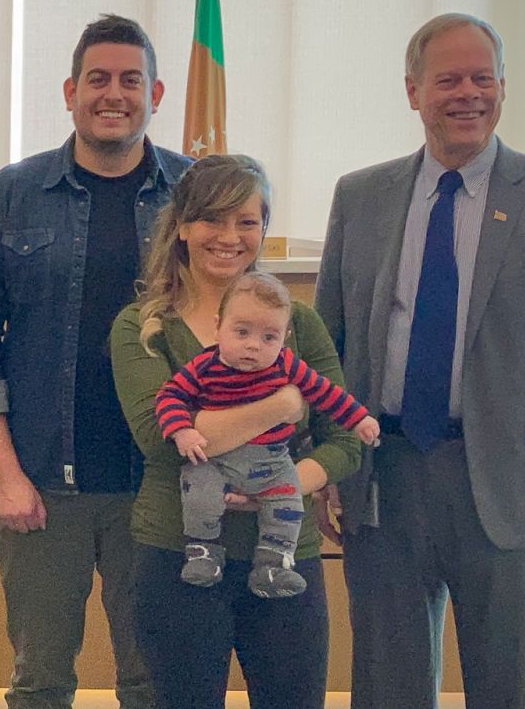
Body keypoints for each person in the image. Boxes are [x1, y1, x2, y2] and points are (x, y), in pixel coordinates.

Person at [315, 13, 525, 709]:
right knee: (387, 687)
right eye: (449, 79)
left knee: (510, 685)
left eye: (483, 78)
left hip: (512, 484)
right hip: (382, 473)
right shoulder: (361, 196)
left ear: (504, 88)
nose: (467, 93)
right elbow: (326, 345)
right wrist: (328, 463)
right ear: (413, 91)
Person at [0, 13, 188, 709]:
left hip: (164, 482)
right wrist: (4, 476)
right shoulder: (12, 193)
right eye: (98, 79)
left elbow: (239, 337)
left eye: (130, 80)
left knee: (155, 681)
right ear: (69, 90)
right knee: (40, 680)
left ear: (157, 92)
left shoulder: (198, 193)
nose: (113, 94)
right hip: (43, 489)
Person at [109, 154, 362, 709]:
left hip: (285, 555)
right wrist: (283, 405)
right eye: (213, 219)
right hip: (176, 554)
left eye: (246, 221)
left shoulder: (299, 322)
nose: (229, 237)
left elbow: (344, 438)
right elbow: (162, 437)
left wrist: (285, 481)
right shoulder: (144, 327)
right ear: (181, 226)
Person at [156, 272, 379, 597]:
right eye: (241, 332)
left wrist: (358, 419)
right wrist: (181, 431)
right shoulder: (205, 366)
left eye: (268, 338)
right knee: (198, 492)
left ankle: (273, 564)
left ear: (284, 338)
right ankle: (204, 550)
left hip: (272, 463)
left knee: (287, 503)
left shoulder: (286, 366)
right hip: (216, 462)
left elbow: (326, 393)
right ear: (218, 327)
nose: (252, 346)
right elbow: (169, 396)